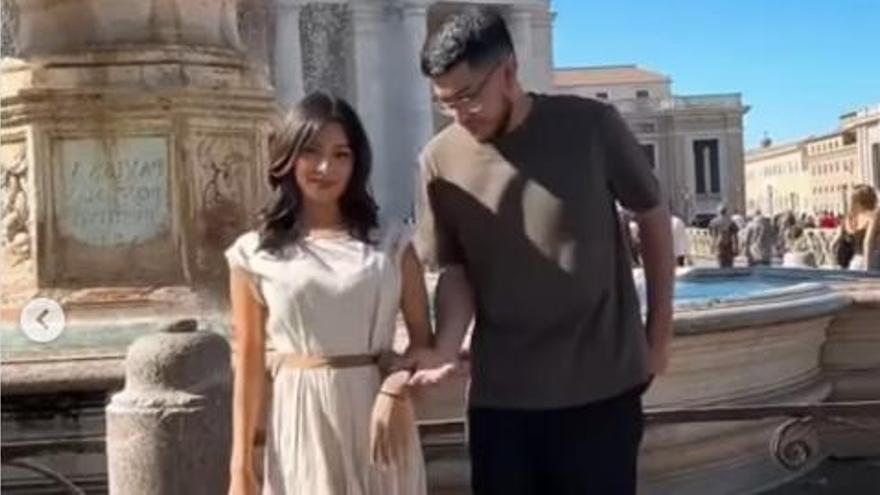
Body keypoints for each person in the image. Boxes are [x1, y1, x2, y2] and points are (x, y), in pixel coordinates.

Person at [410, 7, 674, 494]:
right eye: (446, 103)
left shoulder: (593, 127)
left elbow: (653, 216)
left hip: (602, 392)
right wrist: (445, 346)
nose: (460, 114)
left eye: (468, 97)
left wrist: (657, 338)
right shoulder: (438, 162)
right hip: (500, 403)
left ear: (508, 71)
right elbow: (454, 269)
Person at [226, 93, 429, 495]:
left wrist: (395, 386)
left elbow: (424, 343)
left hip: (382, 418)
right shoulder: (254, 253)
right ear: (288, 158)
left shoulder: (392, 243)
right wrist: (241, 464)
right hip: (300, 417)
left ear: (357, 163)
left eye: (341, 154)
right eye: (312, 152)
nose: (325, 167)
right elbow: (248, 362)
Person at [843, 185, 880, 270]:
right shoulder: (873, 216)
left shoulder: (850, 219)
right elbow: (867, 242)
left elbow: (833, 245)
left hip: (855, 261)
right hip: (872, 259)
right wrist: (867, 269)